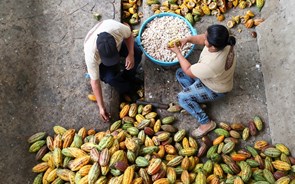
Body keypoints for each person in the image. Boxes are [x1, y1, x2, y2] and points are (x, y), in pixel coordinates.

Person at [169, 24, 237, 138]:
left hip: (215, 89)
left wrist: (178, 53)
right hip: (212, 77)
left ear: (213, 47)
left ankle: (206, 123)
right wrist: (188, 39)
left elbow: (188, 70)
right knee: (179, 73)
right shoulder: (224, 39)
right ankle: (196, 99)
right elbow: (202, 38)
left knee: (182, 98)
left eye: (206, 38)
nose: (203, 38)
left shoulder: (212, 64)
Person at [84, 19, 143, 122]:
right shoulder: (91, 56)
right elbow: (95, 82)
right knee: (111, 78)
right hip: (100, 63)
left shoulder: (117, 28)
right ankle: (127, 88)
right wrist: (101, 107)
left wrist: (131, 54)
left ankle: (130, 76)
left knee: (137, 52)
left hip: (116, 43)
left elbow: (129, 36)